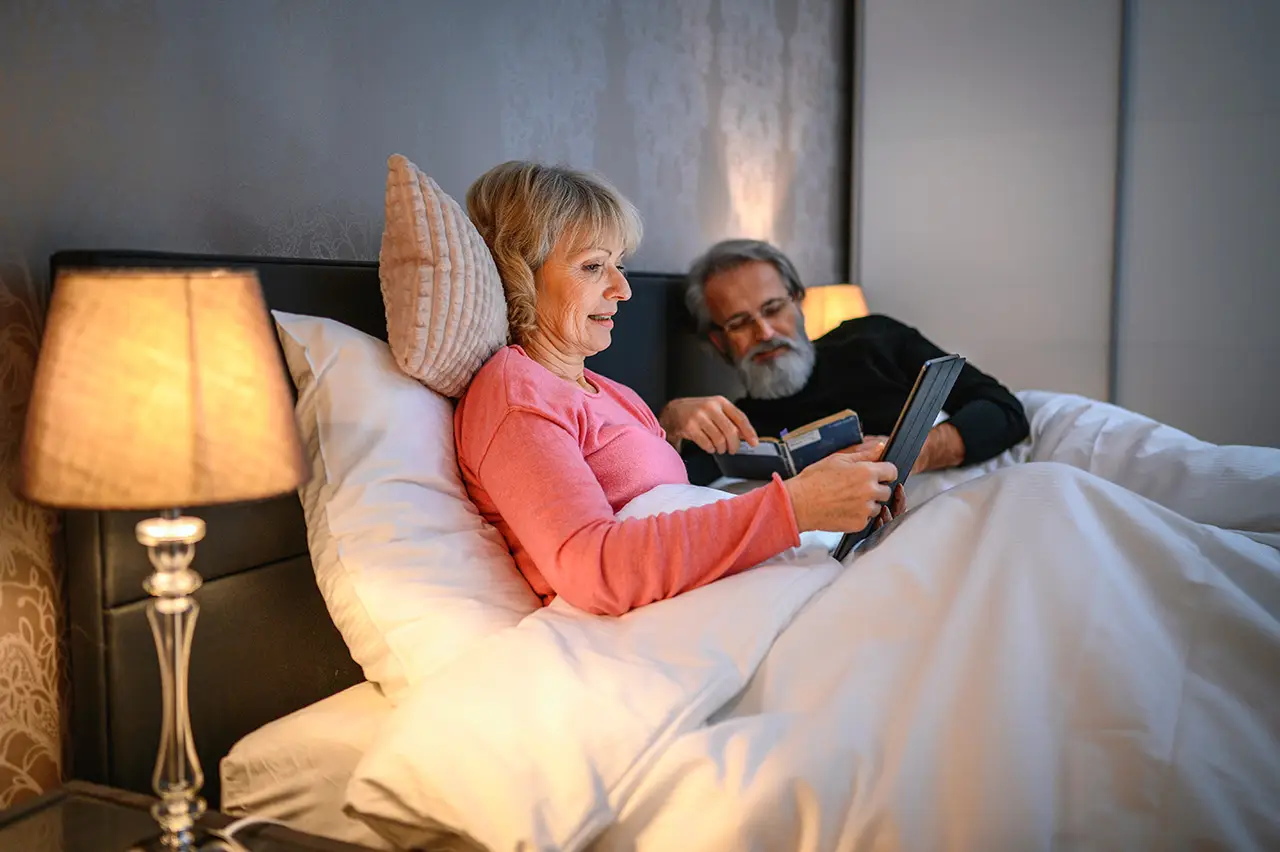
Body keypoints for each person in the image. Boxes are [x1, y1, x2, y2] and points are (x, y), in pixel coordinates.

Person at [453, 163, 905, 617]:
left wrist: (839, 499)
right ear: (520, 273)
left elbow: (673, 517)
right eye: (593, 266)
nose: (623, 290)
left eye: (619, 265)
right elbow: (592, 570)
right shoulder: (517, 394)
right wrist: (796, 506)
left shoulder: (614, 394)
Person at [659, 238, 1030, 478]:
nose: (765, 333)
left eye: (773, 308)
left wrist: (915, 452)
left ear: (798, 302)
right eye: (740, 323)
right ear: (719, 341)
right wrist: (669, 423)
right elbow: (664, 485)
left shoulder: (875, 339)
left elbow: (1004, 410)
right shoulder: (736, 430)